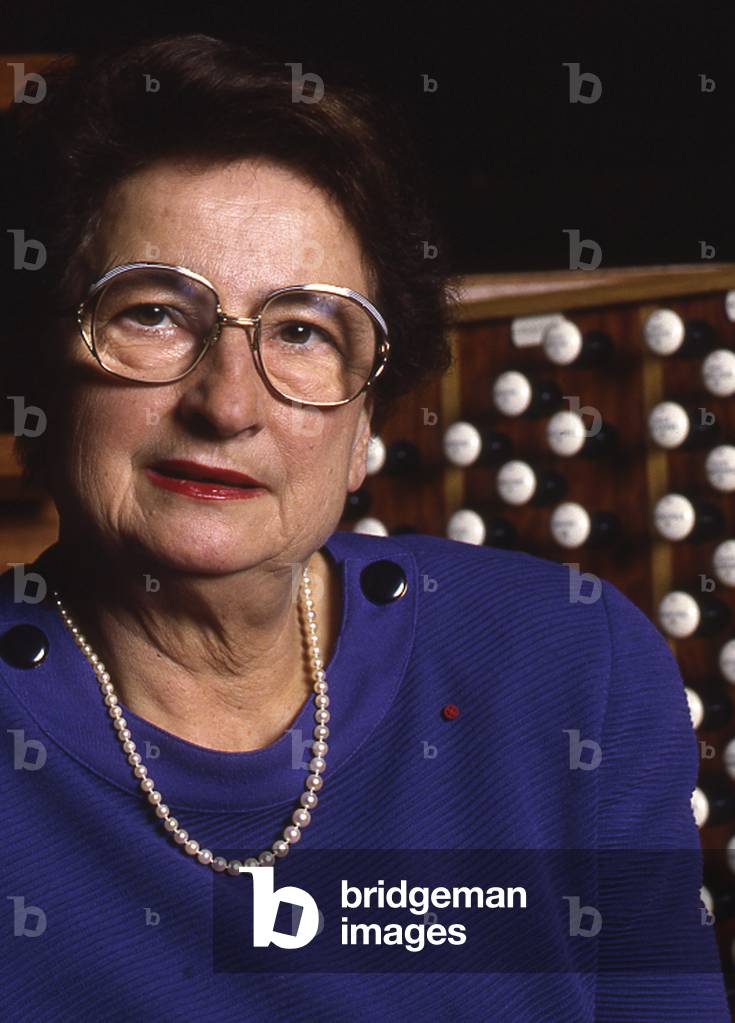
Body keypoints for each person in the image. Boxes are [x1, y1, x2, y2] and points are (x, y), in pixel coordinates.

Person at [0, 33, 730, 1023]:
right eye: (154, 314)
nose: (227, 404)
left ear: (363, 429)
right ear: (38, 379)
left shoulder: (573, 668)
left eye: (302, 331)